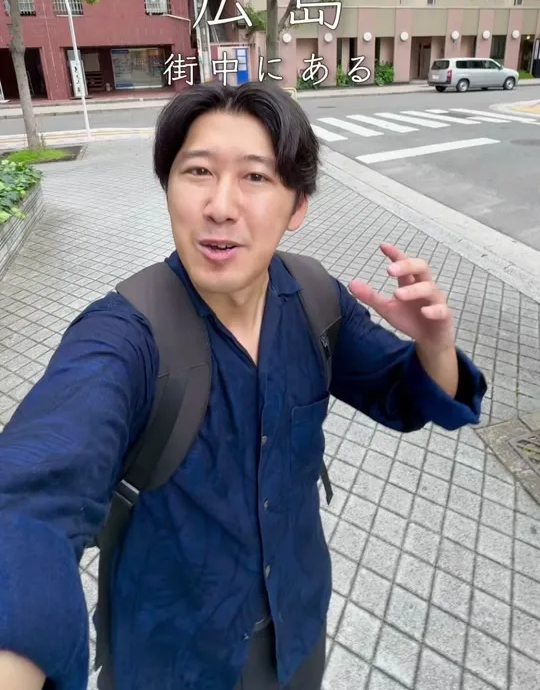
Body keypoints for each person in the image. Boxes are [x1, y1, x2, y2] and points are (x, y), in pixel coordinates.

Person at [0, 82, 486, 690]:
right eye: (198, 171)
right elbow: (31, 493)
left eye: (255, 177)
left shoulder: (314, 298)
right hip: (174, 660)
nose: (220, 206)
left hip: (297, 630)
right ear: (168, 185)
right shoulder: (124, 337)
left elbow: (404, 394)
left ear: (298, 205)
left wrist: (434, 347)